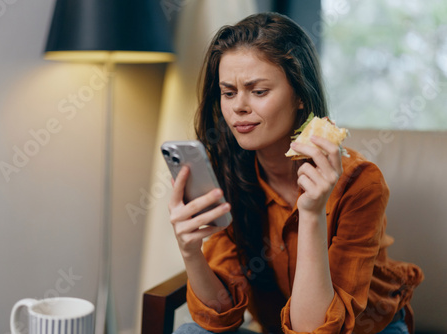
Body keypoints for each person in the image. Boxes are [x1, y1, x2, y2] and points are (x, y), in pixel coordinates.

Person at [168, 12, 423, 334]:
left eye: (258, 91)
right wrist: (190, 250)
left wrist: (313, 213)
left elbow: (314, 329)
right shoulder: (227, 175)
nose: (238, 107)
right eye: (228, 92)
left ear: (300, 95)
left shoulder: (359, 183)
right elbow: (219, 319)